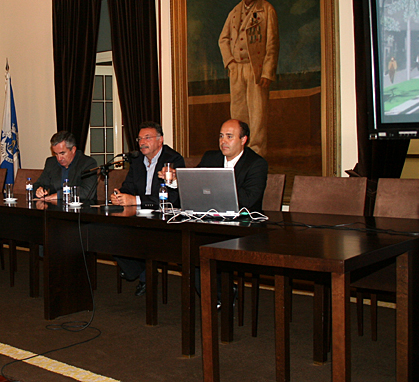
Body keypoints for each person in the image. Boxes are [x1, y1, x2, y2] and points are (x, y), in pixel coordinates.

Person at [110, 121, 185, 296]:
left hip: (164, 218)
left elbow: (171, 199)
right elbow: (128, 187)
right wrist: (119, 195)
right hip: (138, 215)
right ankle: (141, 271)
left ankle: (144, 274)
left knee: (142, 237)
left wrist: (134, 200)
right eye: (140, 138)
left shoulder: (173, 160)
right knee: (107, 232)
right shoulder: (137, 161)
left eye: (147, 138)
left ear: (160, 140)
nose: (142, 142)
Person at [219, 0, 279, 158]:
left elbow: (272, 43)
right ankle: (239, 154)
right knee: (238, 113)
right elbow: (223, 39)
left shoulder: (267, 10)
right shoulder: (235, 12)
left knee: (257, 114)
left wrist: (267, 72)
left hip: (256, 69)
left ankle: (257, 154)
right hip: (237, 69)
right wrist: (230, 63)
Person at [161, 119, 268, 212]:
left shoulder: (256, 164)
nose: (223, 141)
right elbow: (194, 184)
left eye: (229, 137)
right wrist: (175, 179)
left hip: (244, 223)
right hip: (208, 217)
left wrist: (219, 181)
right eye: (221, 136)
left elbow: (249, 200)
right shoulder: (210, 158)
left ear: (243, 140)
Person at [33, 131, 98, 202]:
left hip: (81, 209)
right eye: (56, 154)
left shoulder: (87, 163)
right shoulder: (51, 163)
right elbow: (38, 184)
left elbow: (87, 192)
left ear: (73, 150)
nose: (59, 158)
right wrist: (38, 190)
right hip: (55, 209)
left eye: (62, 153)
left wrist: (58, 195)